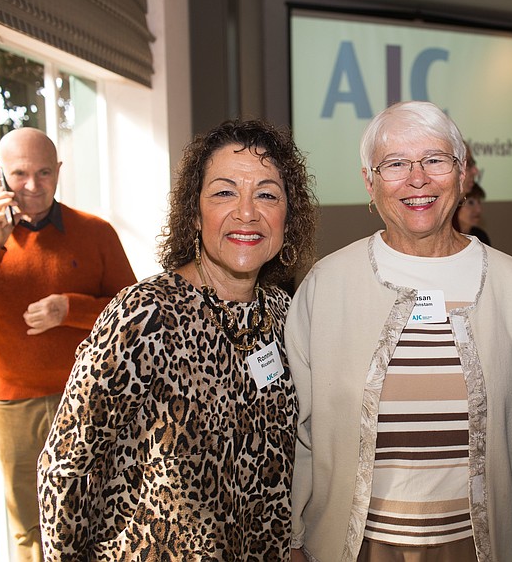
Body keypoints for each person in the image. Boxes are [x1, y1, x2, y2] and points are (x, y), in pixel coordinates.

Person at [37, 119, 317, 559]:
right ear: (193, 213)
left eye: (267, 194)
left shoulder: (285, 313)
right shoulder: (144, 313)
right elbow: (68, 464)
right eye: (224, 192)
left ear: (287, 218)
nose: (247, 212)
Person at [287, 101, 512, 562]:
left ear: (462, 174)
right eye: (395, 164)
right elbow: (298, 432)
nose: (417, 179)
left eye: (435, 160)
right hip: (358, 547)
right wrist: (294, 538)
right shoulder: (327, 285)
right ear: (369, 181)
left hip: (481, 546)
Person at [0, 127, 136, 561]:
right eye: (19, 174)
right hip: (12, 401)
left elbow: (133, 312)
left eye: (43, 172)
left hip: (84, 395)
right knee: (27, 524)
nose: (32, 186)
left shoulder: (95, 232)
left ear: (58, 172)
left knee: (91, 509)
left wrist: (68, 309)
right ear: (0, 174)